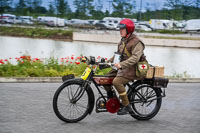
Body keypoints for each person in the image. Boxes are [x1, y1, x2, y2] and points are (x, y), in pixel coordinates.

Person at [105, 18, 146, 115]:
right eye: (120, 29)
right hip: (122, 67)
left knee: (117, 82)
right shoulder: (122, 41)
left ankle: (126, 105)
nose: (120, 31)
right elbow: (117, 55)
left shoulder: (137, 42)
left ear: (129, 29)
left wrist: (121, 64)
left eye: (122, 29)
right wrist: (106, 62)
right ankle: (112, 98)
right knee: (105, 78)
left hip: (133, 68)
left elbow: (135, 58)